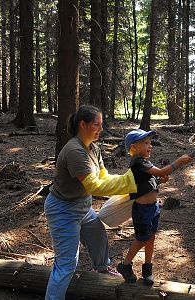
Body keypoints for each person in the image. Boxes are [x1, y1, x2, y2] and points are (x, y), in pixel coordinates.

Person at [44, 105, 137, 300]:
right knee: (67, 263)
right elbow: (95, 186)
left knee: (98, 235)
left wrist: (134, 181)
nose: (101, 129)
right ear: (82, 125)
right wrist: (132, 182)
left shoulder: (93, 148)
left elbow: (104, 177)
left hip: (82, 206)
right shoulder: (74, 151)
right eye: (97, 125)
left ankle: (102, 270)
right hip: (63, 210)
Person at [116, 129, 192, 284]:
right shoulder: (138, 162)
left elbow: (148, 182)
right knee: (141, 240)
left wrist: (159, 182)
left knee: (150, 239)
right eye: (145, 143)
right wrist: (179, 161)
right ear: (133, 147)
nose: (149, 146)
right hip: (142, 210)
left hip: (153, 208)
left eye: (150, 143)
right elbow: (161, 171)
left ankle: (147, 270)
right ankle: (125, 265)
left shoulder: (144, 162)